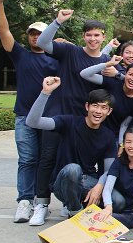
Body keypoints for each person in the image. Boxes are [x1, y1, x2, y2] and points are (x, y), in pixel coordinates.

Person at [0, 0, 58, 223]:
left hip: (49, 119)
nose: (36, 37)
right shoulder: (21, 56)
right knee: (28, 159)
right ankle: (24, 200)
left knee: (46, 161)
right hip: (24, 118)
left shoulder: (58, 59)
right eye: (32, 33)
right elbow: (4, 32)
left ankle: (42, 202)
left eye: (41, 34)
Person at [25, 77, 117, 225]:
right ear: (87, 106)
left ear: (109, 111)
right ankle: (74, 213)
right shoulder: (68, 122)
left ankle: (79, 206)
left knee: (118, 201)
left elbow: (108, 170)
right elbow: (32, 122)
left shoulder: (108, 136)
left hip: (88, 182)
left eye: (103, 107)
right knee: (73, 169)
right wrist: (45, 92)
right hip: (63, 181)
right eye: (95, 106)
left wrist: (99, 186)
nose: (98, 111)